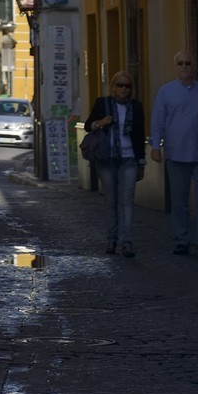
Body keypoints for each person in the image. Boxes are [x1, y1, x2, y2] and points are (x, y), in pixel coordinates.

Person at [149, 50, 198, 255]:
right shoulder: (166, 92)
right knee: (179, 200)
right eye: (180, 63)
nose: (184, 67)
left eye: (187, 63)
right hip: (177, 153)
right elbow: (158, 120)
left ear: (193, 66)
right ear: (176, 67)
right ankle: (182, 239)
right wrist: (155, 146)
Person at [84, 71, 146, 257]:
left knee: (126, 202)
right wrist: (101, 122)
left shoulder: (136, 107)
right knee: (111, 201)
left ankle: (126, 242)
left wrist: (141, 162)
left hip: (129, 159)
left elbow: (140, 135)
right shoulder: (102, 104)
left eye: (127, 86)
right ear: (113, 87)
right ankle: (111, 239)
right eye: (120, 85)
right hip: (107, 159)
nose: (124, 89)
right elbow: (88, 125)